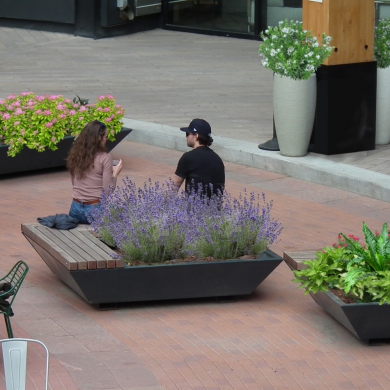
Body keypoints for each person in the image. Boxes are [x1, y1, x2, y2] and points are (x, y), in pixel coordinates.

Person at [66, 120, 123, 224]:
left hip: (75, 208)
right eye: (105, 137)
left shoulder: (75, 156)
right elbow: (108, 191)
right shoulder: (105, 158)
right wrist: (115, 174)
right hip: (94, 209)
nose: (106, 140)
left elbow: (74, 184)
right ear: (99, 139)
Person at [172, 118, 225, 199]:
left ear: (196, 136)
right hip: (214, 210)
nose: (186, 137)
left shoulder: (188, 158)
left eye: (188, 134)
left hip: (194, 209)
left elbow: (172, 189)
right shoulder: (218, 160)